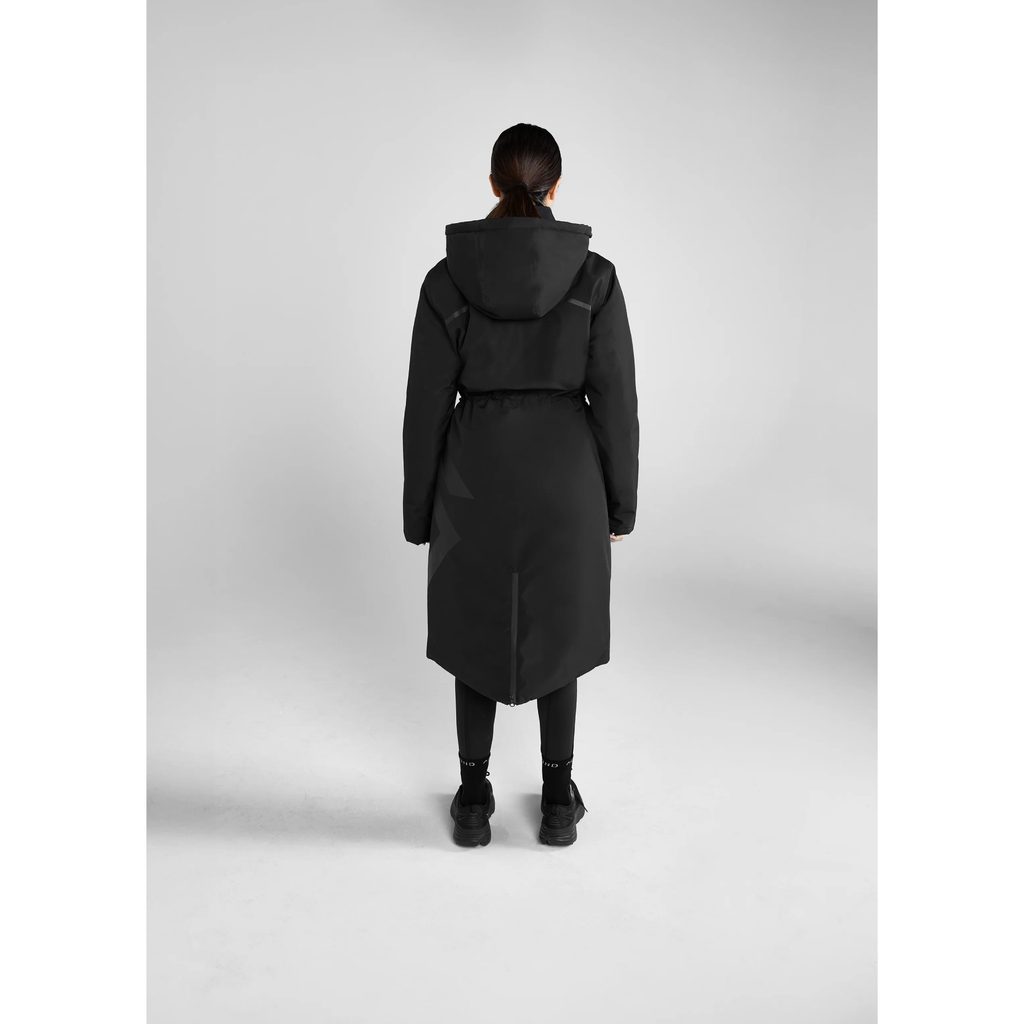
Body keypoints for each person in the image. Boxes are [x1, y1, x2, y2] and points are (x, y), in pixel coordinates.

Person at [402, 123, 640, 848]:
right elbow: (617, 401)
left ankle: (473, 798)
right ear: (555, 187)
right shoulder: (594, 279)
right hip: (568, 479)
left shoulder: (446, 281)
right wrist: (620, 504)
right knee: (558, 630)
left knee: (474, 626)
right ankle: (559, 798)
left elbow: (424, 407)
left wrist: (420, 511)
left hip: (473, 477)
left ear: (492, 183)